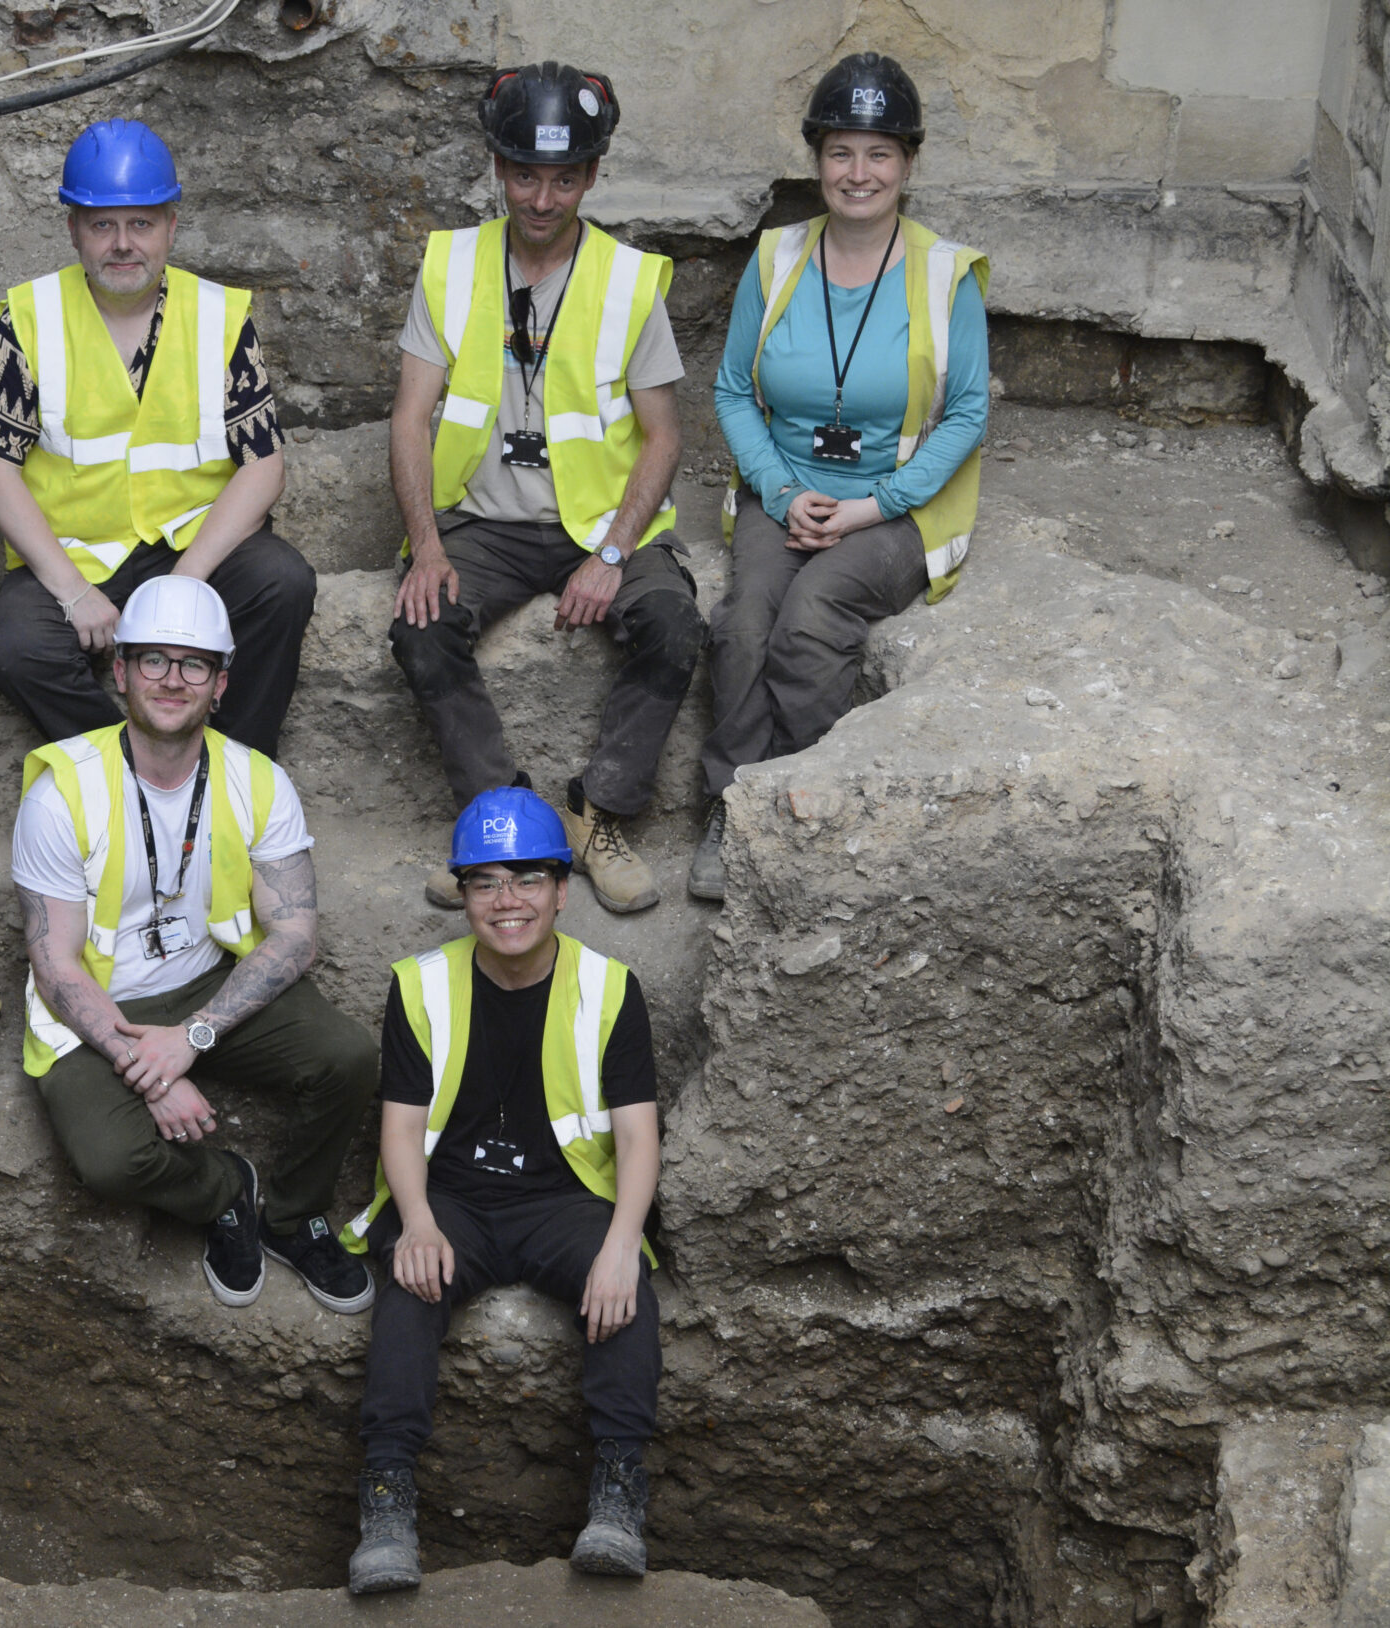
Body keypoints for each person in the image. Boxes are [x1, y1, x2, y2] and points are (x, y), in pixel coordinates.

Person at [388, 62, 705, 916]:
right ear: (498, 168)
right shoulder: (451, 266)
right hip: (486, 522)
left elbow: (665, 436)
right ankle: (505, 816)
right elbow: (411, 417)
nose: (541, 196)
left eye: (564, 177)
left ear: (592, 176)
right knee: (420, 627)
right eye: (525, 173)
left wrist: (610, 555)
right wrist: (425, 548)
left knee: (673, 624)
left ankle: (598, 816)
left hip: (603, 520)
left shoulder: (630, 280)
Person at [12, 573, 378, 1312]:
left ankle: (293, 1216)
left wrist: (194, 1037)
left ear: (220, 682)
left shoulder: (259, 781)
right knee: (111, 1160)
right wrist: (147, 1067)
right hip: (96, 998)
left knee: (349, 1058)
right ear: (120, 671)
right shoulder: (63, 792)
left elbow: (297, 935)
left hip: (206, 983)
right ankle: (225, 1195)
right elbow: (55, 963)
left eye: (194, 664)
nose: (172, 680)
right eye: (153, 660)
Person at [339, 786, 662, 1593]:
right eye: (485, 882)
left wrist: (624, 1244)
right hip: (453, 1199)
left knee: (626, 1289)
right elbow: (402, 1128)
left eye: (526, 879)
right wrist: (414, 1222)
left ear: (561, 888)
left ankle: (619, 1496)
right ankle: (386, 1502)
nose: (507, 901)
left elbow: (636, 1136)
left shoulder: (610, 987)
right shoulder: (418, 986)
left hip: (564, 1200)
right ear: (463, 895)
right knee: (410, 1290)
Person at [691, 53, 989, 900]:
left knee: (812, 617)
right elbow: (729, 389)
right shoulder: (777, 258)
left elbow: (966, 415)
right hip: (782, 487)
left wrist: (868, 509)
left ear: (908, 163)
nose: (859, 173)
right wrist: (782, 493)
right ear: (817, 159)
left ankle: (802, 803)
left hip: (896, 503)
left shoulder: (945, 274)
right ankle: (731, 804)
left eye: (880, 154)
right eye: (841, 153)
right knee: (746, 617)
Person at [0, 117, 314, 758]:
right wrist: (73, 592)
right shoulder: (29, 320)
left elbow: (262, 465)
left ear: (171, 227)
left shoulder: (219, 316)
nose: (123, 244)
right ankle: (129, 774)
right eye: (102, 225)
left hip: (191, 545)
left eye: (142, 224)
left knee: (282, 582)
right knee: (15, 647)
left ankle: (232, 771)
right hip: (73, 556)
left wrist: (183, 586)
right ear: (73, 229)